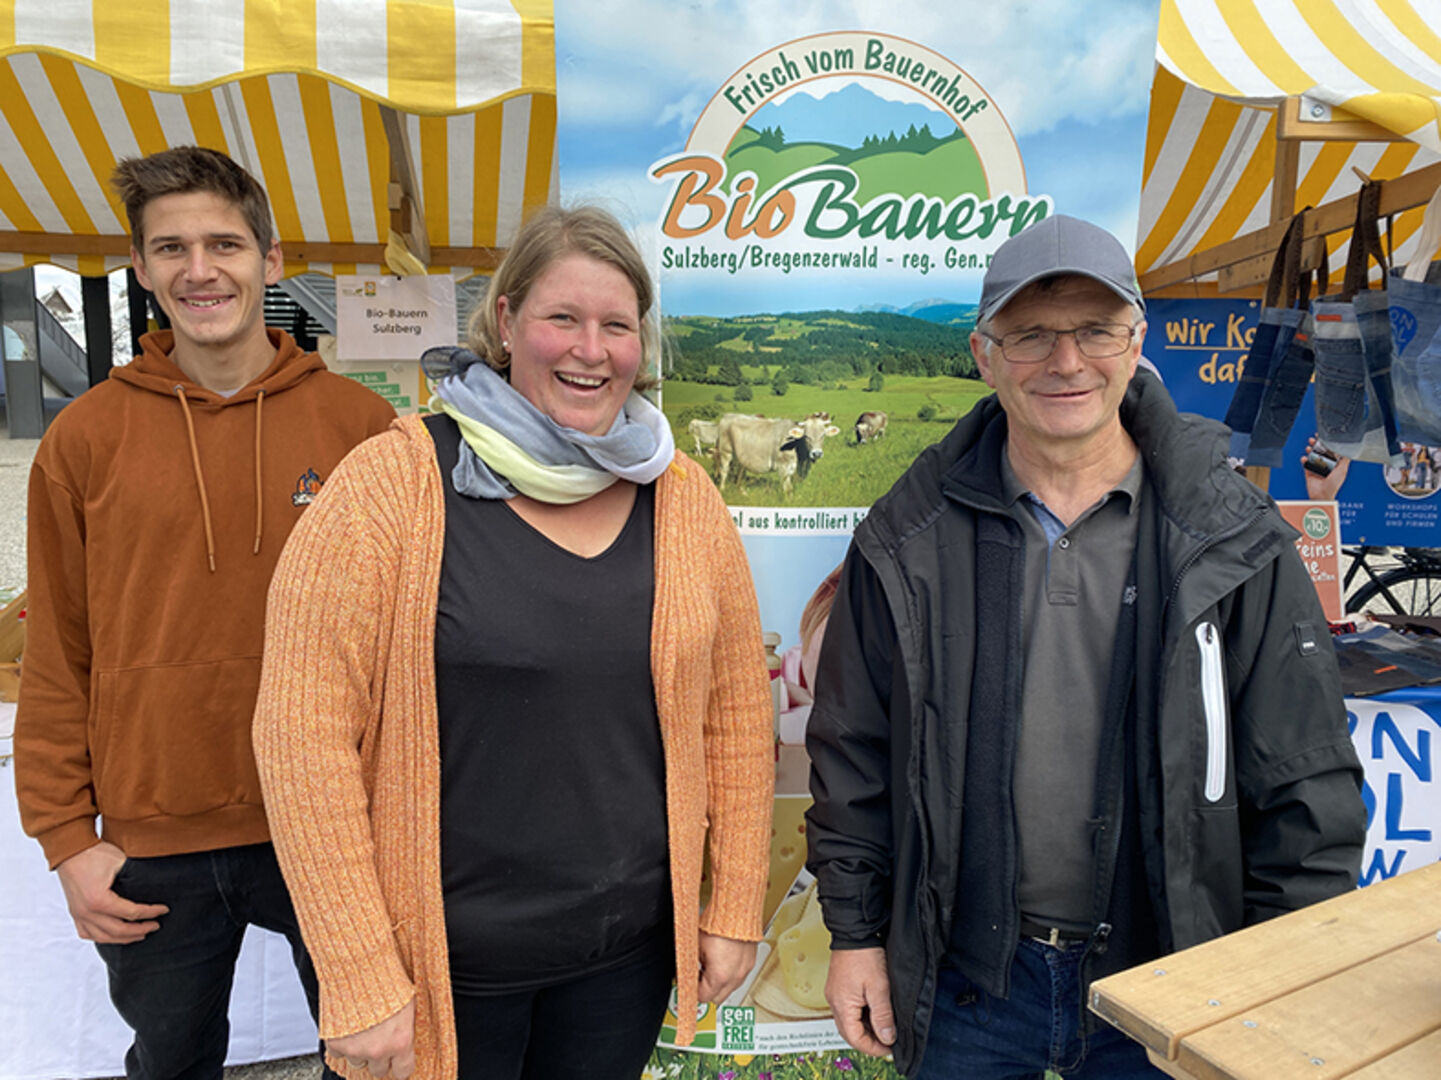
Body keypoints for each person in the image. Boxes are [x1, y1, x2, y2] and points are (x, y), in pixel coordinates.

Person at [805, 214, 1366, 1079]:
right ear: (984, 356)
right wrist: (853, 934)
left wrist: (1286, 966)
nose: (1066, 362)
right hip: (969, 984)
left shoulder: (1231, 539)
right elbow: (853, 756)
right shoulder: (906, 538)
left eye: (1095, 330)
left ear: (1136, 341)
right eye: (1030, 335)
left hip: (1178, 974)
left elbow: (1304, 774)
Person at [252, 205, 775, 1080]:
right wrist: (355, 969)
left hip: (623, 959)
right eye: (561, 318)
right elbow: (300, 738)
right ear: (505, 322)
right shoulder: (394, 484)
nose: (590, 348)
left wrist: (731, 906)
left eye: (616, 325)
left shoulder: (680, 498)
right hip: (446, 968)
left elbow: (734, 715)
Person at [14, 146, 396, 1080]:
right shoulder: (84, 439)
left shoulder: (363, 429)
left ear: (270, 259)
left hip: (332, 829)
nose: (199, 270)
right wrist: (69, 843)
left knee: (376, 1058)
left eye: (224, 244)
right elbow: (59, 653)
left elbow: (412, 640)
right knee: (172, 1064)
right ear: (140, 270)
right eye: (170, 248)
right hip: (153, 841)